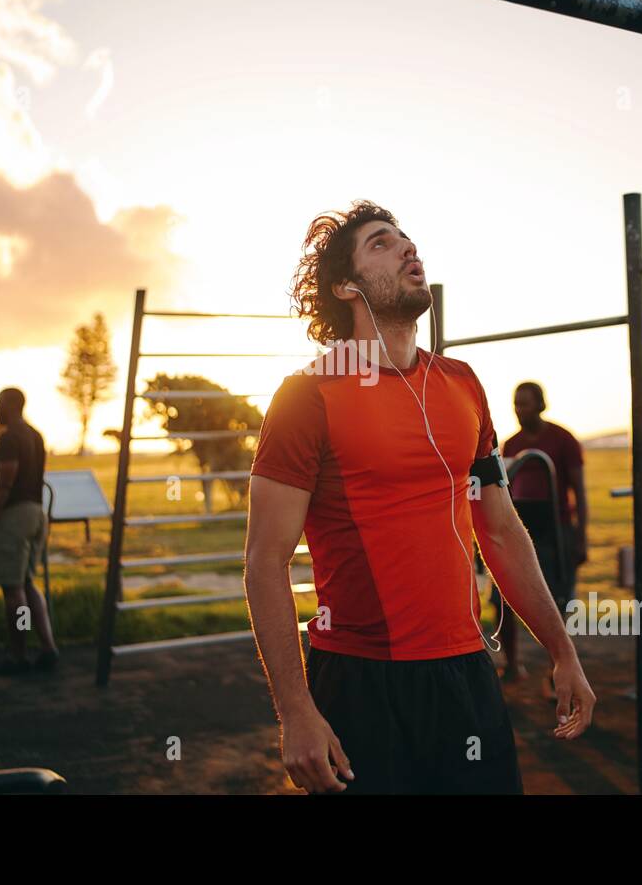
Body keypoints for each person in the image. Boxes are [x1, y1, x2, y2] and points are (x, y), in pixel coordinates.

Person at [245, 200, 595, 795]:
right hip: (359, 681)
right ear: (346, 287)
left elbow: (502, 531)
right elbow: (264, 560)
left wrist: (563, 649)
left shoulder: (463, 383)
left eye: (407, 238)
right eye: (382, 243)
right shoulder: (306, 396)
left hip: (465, 675)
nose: (408, 247)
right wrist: (297, 711)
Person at [498, 382, 590, 691]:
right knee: (504, 594)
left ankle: (559, 672)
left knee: (554, 599)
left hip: (554, 526)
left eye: (525, 404)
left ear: (541, 405)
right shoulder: (511, 445)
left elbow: (579, 489)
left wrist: (580, 536)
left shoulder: (562, 440)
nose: (519, 410)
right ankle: (512, 664)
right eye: (516, 404)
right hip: (522, 524)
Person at [0, 388, 58, 675]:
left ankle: (18, 655)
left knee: (14, 590)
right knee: (28, 583)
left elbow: (5, 486)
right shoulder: (35, 435)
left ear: (10, 406)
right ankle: (47, 648)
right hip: (37, 514)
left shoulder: (8, 439)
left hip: (15, 517)